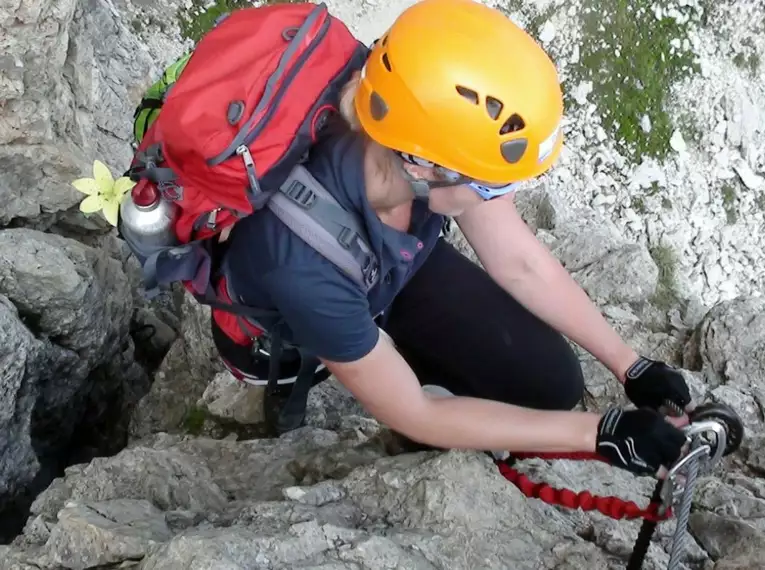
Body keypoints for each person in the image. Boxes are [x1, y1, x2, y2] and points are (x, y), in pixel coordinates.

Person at [211, 0, 692, 478]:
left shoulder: (403, 122)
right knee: (403, 392)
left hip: (386, 265)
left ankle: (404, 354)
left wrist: (630, 366)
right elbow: (416, 411)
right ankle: (300, 381)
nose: (497, 197)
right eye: (489, 184)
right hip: (296, 314)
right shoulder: (302, 268)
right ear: (423, 166)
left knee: (550, 383)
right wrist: (598, 434)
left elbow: (519, 262)